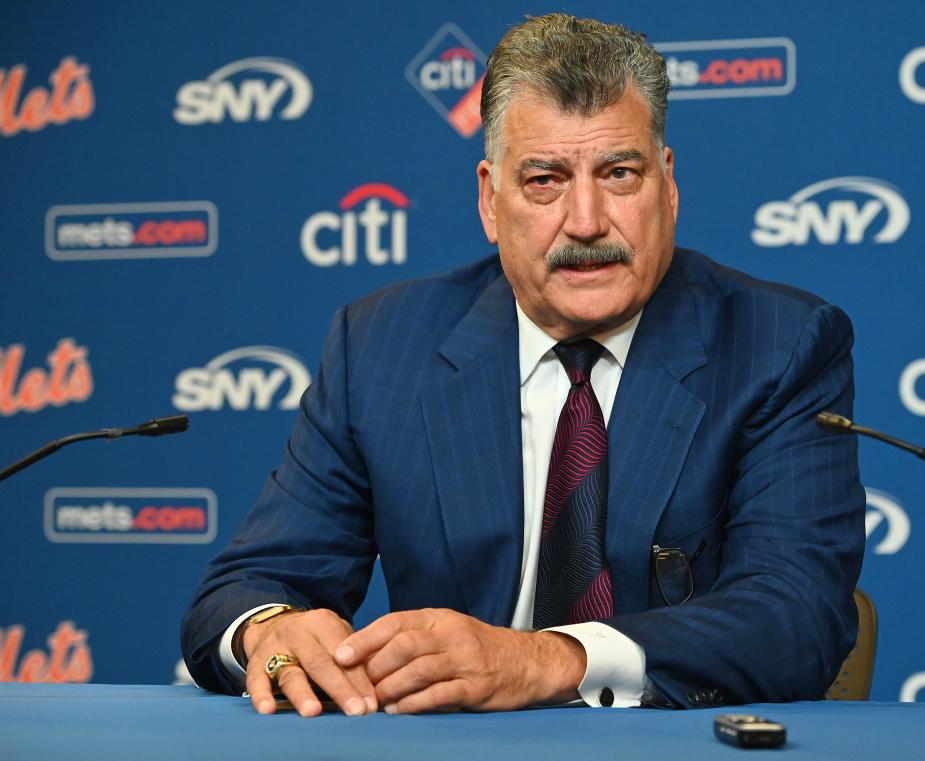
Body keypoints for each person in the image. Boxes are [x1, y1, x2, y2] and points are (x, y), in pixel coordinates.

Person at [181, 13, 865, 717]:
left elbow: (796, 615)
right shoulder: (382, 346)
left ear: (667, 185)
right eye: (545, 180)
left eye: (619, 173)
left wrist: (545, 658)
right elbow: (247, 585)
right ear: (490, 198)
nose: (587, 220)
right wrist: (273, 629)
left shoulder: (778, 345)